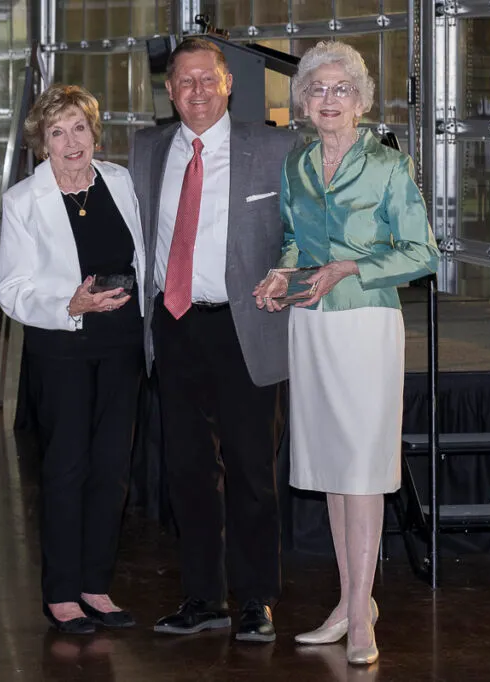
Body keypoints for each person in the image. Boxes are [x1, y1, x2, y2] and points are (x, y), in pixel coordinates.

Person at [253, 41, 439, 666]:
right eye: (317, 90)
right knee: (334, 474)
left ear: (360, 100)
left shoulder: (389, 166)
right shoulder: (297, 163)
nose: (327, 100)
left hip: (365, 326)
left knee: (362, 474)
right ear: (302, 102)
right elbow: (288, 238)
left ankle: (362, 617)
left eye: (340, 89)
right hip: (311, 327)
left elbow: (422, 254)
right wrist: (283, 275)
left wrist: (349, 268)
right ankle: (349, 602)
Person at [128, 37, 299, 643]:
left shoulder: (275, 147)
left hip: (244, 324)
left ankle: (255, 598)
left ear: (227, 84)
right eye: (184, 81)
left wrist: (291, 274)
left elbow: (300, 230)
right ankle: (202, 597)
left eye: (207, 79)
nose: (196, 91)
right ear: (169, 90)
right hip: (172, 324)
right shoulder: (146, 150)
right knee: (188, 469)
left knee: (253, 468)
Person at [0, 84, 146, 635]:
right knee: (66, 468)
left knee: (112, 468)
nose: (71, 141)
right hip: (63, 347)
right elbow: (10, 290)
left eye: (79, 127)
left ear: (93, 132)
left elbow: (142, 257)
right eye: (57, 133)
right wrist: (68, 304)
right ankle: (60, 592)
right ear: (42, 145)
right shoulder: (23, 202)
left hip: (123, 345)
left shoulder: (120, 181)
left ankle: (95, 585)